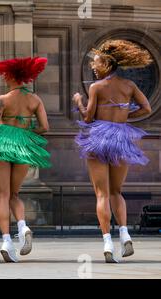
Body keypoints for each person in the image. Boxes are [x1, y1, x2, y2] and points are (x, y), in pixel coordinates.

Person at [72, 40, 152, 263]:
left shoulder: (96, 87)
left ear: (107, 63)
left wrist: (79, 101)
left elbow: (88, 117)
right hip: (121, 138)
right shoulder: (129, 86)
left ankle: (107, 241)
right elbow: (147, 108)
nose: (94, 67)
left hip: (99, 137)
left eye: (96, 63)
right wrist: (125, 118)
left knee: (102, 194)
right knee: (117, 192)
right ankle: (125, 234)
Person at [0, 57, 51, 262]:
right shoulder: (35, 100)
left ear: (11, 76)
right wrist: (27, 133)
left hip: (2, 144)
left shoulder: (2, 100)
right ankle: (23, 226)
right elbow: (45, 127)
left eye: (5, 75)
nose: (3, 77)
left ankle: (6, 241)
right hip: (23, 145)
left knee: (3, 195)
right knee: (15, 194)